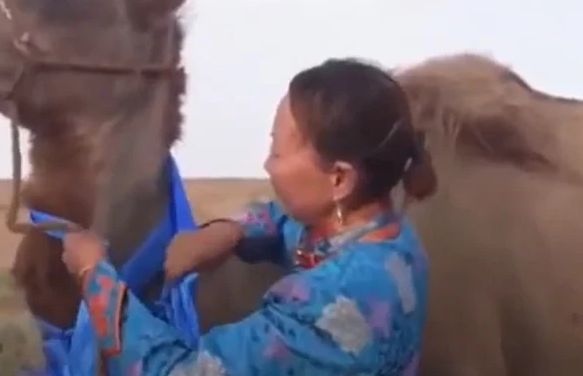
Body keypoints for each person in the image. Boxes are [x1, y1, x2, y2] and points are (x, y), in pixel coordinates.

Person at [61, 57, 437, 375]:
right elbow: (288, 224)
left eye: (277, 151)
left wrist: (94, 276)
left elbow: (178, 370)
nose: (267, 165)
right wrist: (232, 231)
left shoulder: (324, 303)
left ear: (339, 178)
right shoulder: (389, 240)